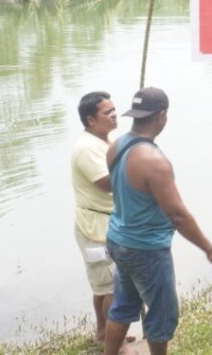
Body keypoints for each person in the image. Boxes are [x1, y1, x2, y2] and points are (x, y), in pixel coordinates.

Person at [103, 87, 212, 355]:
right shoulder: (153, 160)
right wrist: (210, 249)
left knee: (123, 305)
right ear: (161, 115)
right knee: (162, 314)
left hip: (118, 239)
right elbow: (178, 215)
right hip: (145, 248)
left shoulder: (116, 146)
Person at [71, 91, 119, 344]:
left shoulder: (105, 141)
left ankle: (103, 334)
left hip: (105, 222)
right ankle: (116, 343)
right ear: (91, 119)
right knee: (111, 286)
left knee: (103, 285)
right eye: (107, 112)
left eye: (114, 109)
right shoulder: (87, 148)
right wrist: (140, 171)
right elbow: (107, 183)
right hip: (95, 227)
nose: (114, 115)